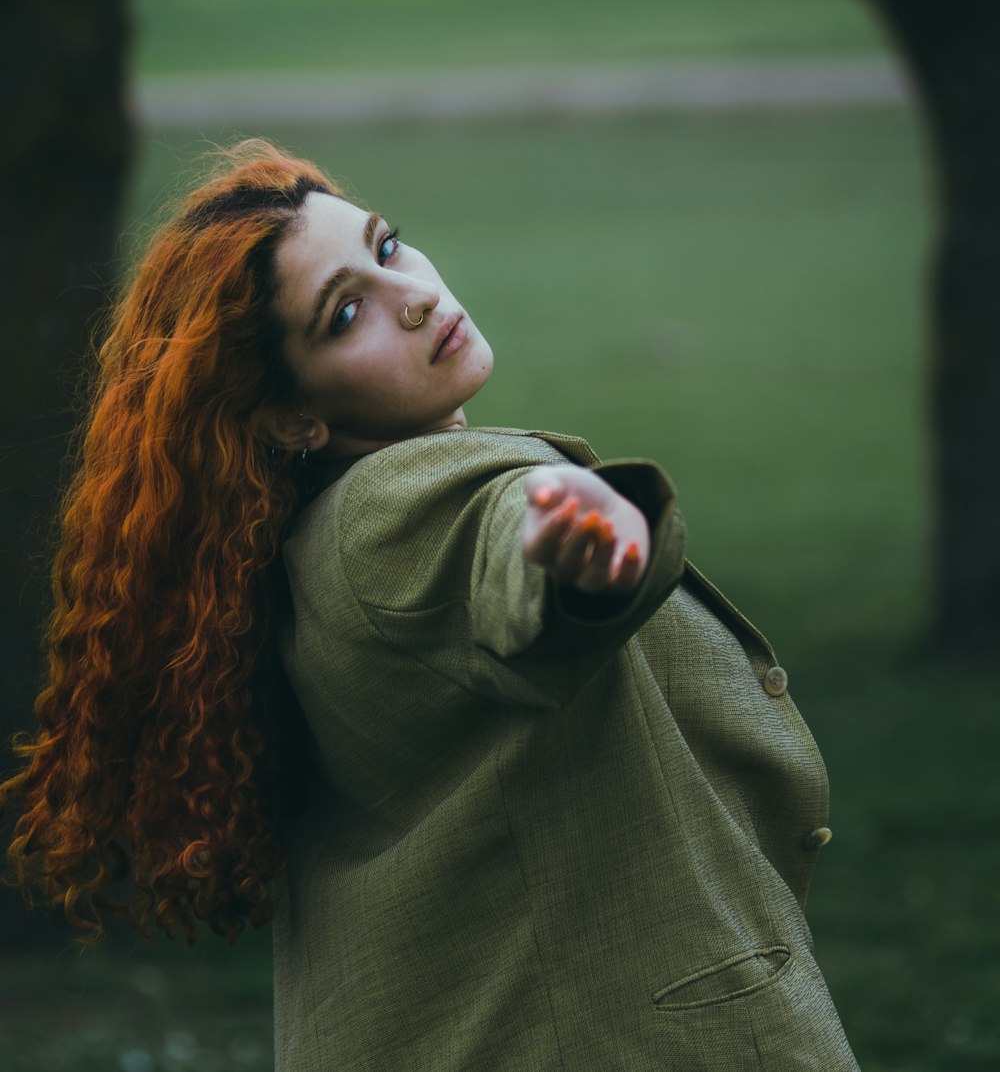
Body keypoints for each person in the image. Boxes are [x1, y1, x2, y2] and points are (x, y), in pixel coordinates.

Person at [1, 141, 859, 1071]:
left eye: (388, 246)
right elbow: (502, 559)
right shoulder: (392, 509)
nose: (409, 292)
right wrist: (581, 550)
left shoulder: (287, 560)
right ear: (293, 417)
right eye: (344, 312)